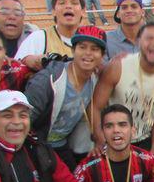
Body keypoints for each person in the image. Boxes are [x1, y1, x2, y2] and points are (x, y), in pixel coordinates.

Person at [25, 26, 106, 168]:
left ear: (102, 55)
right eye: (82, 47)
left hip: (62, 145)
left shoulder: (95, 79)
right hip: (36, 145)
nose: (88, 53)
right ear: (73, 50)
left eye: (94, 49)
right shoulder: (48, 80)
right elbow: (24, 120)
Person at [92, 22, 154, 155]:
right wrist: (101, 140)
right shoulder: (118, 67)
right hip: (113, 140)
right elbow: (95, 107)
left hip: (144, 141)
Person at [16, 0, 85, 65]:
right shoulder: (39, 37)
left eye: (74, 3)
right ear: (53, 11)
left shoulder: (93, 40)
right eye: (62, 3)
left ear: (83, 11)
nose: (68, 6)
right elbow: (17, 68)